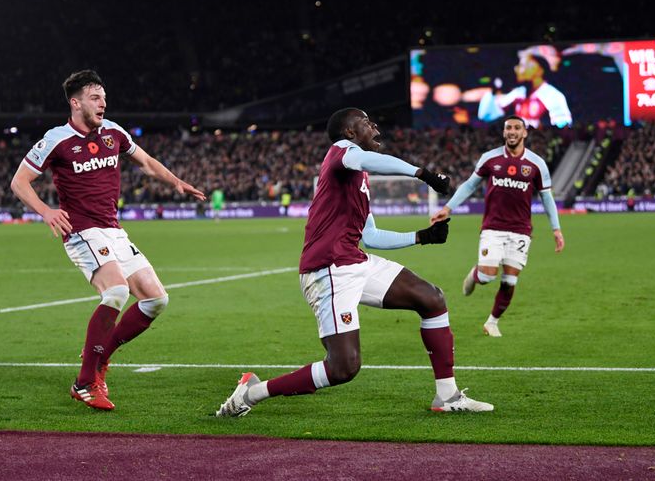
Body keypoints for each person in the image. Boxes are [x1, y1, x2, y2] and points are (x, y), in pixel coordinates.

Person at [216, 108, 494, 417]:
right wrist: (422, 173)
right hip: (330, 269)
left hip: (354, 260)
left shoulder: (356, 175)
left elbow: (371, 237)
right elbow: (367, 161)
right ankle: (252, 392)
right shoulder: (342, 152)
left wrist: (422, 237)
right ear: (350, 132)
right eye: (366, 122)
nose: (375, 126)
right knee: (343, 367)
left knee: (431, 299)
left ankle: (447, 396)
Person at [10, 70, 206, 410]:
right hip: (82, 230)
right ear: (76, 103)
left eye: (103, 96)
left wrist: (176, 183)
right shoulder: (56, 139)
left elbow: (144, 161)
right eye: (95, 97)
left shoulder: (113, 132)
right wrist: (45, 211)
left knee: (156, 300)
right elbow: (19, 182)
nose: (103, 102)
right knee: (116, 291)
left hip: (114, 230)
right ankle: (84, 383)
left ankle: (99, 354)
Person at [430, 115, 564, 338]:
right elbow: (470, 185)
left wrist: (556, 229)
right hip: (493, 228)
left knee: (510, 280)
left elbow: (547, 198)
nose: (512, 132)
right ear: (504, 133)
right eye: (508, 128)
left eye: (516, 128)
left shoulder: (537, 164)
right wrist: (449, 208)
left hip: (521, 230)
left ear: (524, 133)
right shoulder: (490, 158)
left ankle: (492, 322)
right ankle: (475, 274)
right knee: (488, 276)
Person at [478, 47, 572, 129]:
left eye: (522, 65)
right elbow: (485, 116)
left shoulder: (552, 95)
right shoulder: (519, 92)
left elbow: (563, 126)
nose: (517, 69)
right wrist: (494, 90)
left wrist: (541, 128)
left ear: (538, 69)